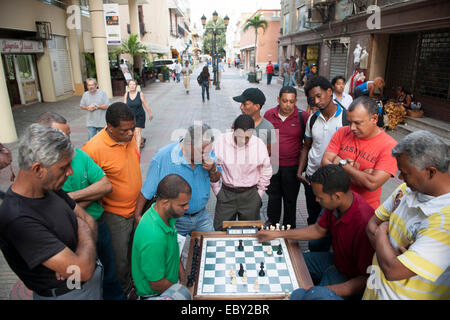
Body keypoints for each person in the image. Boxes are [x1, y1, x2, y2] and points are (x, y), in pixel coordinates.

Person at [0, 124, 101, 300]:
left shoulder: (49, 188)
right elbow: (82, 272)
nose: (70, 172)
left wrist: (77, 255)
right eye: (64, 167)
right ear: (38, 169)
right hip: (69, 293)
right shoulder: (17, 218)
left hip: (82, 286)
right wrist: (83, 231)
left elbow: (89, 220)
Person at [35, 112, 124, 300]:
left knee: (109, 275)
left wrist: (68, 199)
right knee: (76, 285)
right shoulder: (40, 173)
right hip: (67, 236)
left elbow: (105, 185)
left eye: (68, 135)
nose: (67, 141)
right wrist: (90, 194)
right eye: (61, 136)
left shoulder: (79, 155)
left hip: (99, 226)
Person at [257, 165, 375, 300]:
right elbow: (318, 230)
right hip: (335, 261)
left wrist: (318, 291)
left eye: (319, 197)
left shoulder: (364, 223)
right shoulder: (336, 204)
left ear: (337, 196)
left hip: (348, 278)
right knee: (288, 262)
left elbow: (367, 279)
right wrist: (278, 234)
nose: (317, 200)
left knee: (312, 296)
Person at [364, 130, 450, 300]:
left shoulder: (445, 221)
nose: (400, 177)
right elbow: (370, 226)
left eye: (405, 172)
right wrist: (387, 253)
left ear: (431, 172)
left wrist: (382, 231)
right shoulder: (405, 191)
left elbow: (393, 270)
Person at [82, 102, 142, 296]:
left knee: (136, 254)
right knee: (119, 262)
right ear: (109, 127)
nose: (131, 134)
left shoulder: (129, 136)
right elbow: (87, 188)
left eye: (133, 128)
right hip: (115, 216)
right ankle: (125, 291)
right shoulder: (92, 150)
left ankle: (136, 285)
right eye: (125, 130)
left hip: (137, 210)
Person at [134, 123, 220, 236]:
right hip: (175, 220)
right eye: (202, 152)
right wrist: (138, 215)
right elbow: (147, 190)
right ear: (188, 144)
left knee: (210, 248)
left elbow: (215, 179)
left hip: (202, 216)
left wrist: (213, 169)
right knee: (174, 252)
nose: (205, 155)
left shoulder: (207, 153)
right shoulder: (163, 157)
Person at [321, 96, 398, 210]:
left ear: (374, 119)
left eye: (357, 123)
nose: (352, 128)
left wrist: (341, 163)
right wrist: (362, 175)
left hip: (363, 211)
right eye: (350, 122)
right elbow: (324, 164)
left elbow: (371, 184)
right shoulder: (342, 132)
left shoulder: (389, 146)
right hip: (333, 205)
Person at [298, 76, 349, 227]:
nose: (316, 101)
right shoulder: (312, 119)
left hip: (334, 182)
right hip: (311, 177)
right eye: (312, 99)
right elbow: (306, 146)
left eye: (319, 96)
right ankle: (311, 248)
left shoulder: (345, 119)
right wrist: (300, 171)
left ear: (329, 92)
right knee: (313, 217)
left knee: (333, 221)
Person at [132, 174, 192, 300]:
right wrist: (182, 291)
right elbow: (156, 283)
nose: (187, 208)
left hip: (169, 286)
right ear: (165, 203)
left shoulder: (166, 215)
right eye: (182, 205)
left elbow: (174, 251)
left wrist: (183, 278)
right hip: (156, 295)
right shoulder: (154, 237)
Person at [211, 115, 272, 231]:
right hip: (226, 195)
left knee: (250, 233)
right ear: (233, 129)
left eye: (247, 138)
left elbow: (267, 170)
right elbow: (213, 166)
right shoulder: (220, 142)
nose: (243, 141)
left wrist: (259, 193)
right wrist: (217, 191)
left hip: (250, 195)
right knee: (220, 232)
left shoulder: (259, 145)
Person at [263, 86, 309, 229]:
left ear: (295, 101)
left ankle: (289, 227)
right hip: (273, 165)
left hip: (292, 167)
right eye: (285, 101)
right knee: (273, 197)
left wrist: (301, 169)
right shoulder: (269, 115)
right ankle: (273, 223)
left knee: (290, 200)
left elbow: (307, 144)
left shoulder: (303, 117)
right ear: (278, 100)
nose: (288, 105)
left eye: (291, 101)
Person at [234, 87, 276, 156]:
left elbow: (269, 152)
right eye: (241, 104)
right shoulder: (237, 122)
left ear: (257, 106)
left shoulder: (268, 128)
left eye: (245, 104)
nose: (241, 107)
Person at [123, 79, 153, 150]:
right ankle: (141, 140)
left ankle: (137, 149)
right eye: (130, 84)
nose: (132, 86)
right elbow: (124, 106)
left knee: (137, 131)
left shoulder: (140, 94)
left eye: (134, 84)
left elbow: (145, 104)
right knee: (132, 132)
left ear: (136, 86)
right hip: (130, 117)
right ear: (128, 86)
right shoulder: (126, 94)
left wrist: (150, 113)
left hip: (140, 115)